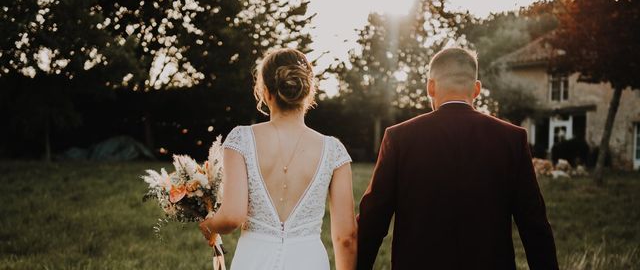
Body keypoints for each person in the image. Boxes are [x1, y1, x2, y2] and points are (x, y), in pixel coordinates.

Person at [356, 47, 559, 269]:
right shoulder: (512, 139)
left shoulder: (399, 138)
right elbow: (534, 226)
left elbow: (372, 222)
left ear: (430, 87)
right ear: (477, 89)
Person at [199, 48, 357, 270]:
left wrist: (207, 225)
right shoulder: (334, 150)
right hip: (309, 261)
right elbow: (346, 237)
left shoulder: (241, 139)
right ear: (308, 91)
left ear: (265, 92)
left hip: (254, 259)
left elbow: (232, 216)